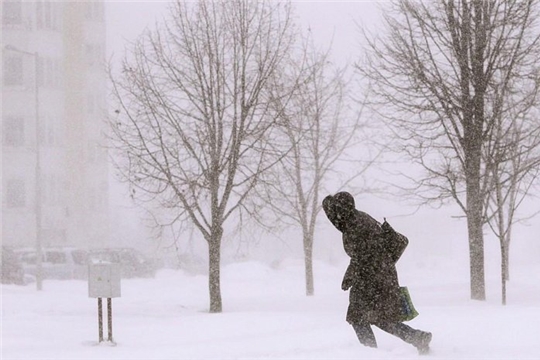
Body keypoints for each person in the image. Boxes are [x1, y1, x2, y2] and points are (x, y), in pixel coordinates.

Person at [322, 191, 432, 355]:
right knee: (380, 318)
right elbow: (336, 220)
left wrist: (349, 276)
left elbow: (364, 254)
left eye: (337, 210)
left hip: (372, 277)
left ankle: (370, 354)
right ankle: (417, 337)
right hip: (379, 275)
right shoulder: (355, 219)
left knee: (358, 316)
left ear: (344, 209)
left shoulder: (355, 226)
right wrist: (328, 202)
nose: (335, 215)